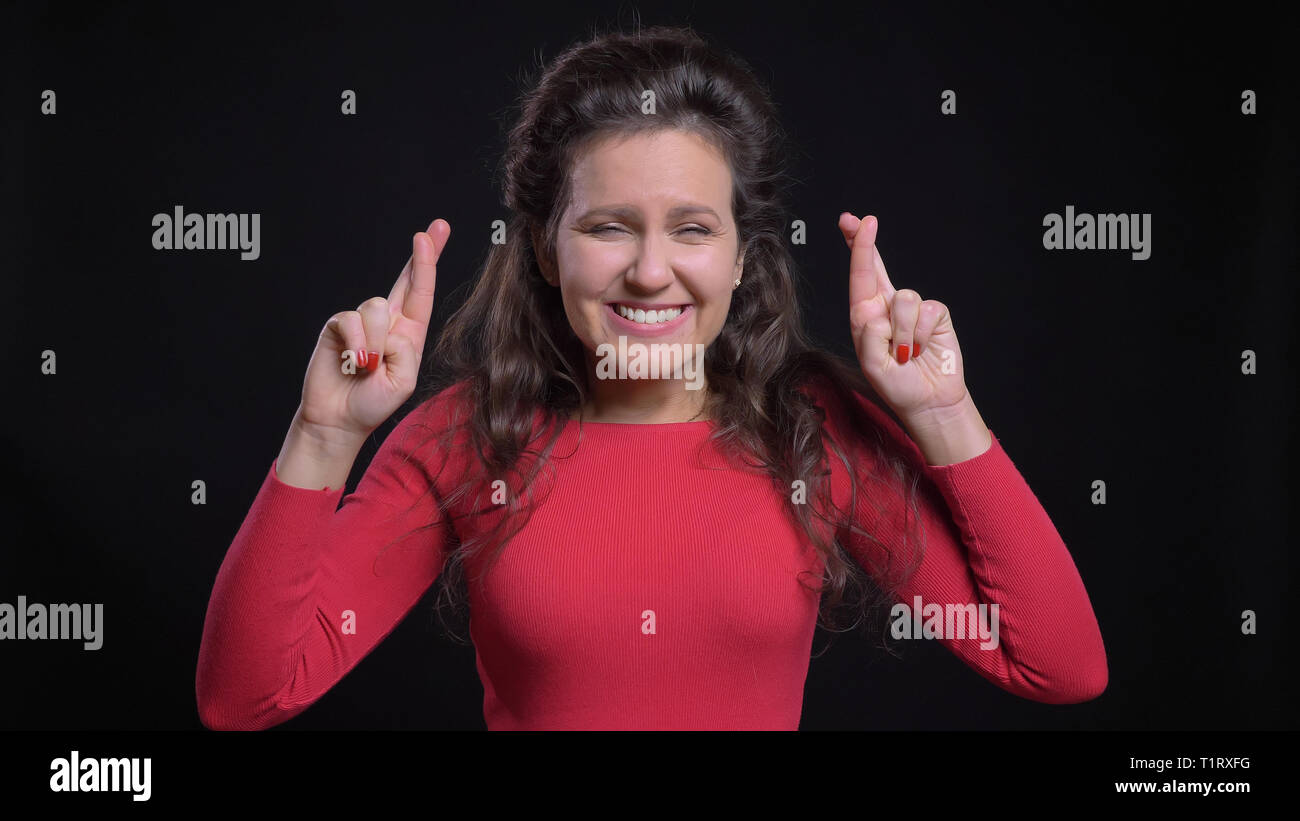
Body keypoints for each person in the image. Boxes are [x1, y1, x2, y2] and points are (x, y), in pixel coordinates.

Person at [196, 24, 1107, 730]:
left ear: (742, 258)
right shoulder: (466, 435)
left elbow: (1059, 665)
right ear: (546, 251)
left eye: (692, 229)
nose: (649, 271)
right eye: (609, 227)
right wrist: (325, 434)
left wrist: (944, 412)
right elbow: (243, 697)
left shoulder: (810, 428)